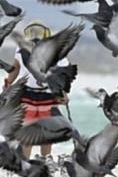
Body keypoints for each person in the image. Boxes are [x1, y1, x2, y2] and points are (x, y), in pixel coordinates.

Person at [4, 21, 70, 159]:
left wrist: (63, 94)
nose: (35, 36)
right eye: (32, 32)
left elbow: (63, 76)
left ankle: (45, 160)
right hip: (27, 92)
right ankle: (26, 161)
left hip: (48, 93)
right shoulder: (20, 48)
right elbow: (16, 67)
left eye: (38, 32)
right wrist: (8, 82)